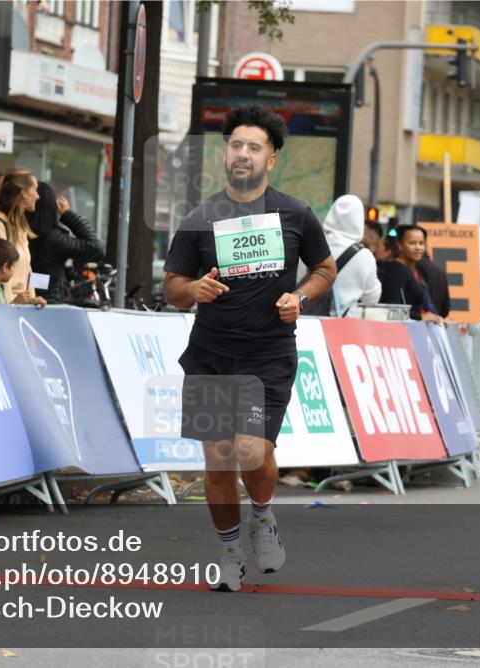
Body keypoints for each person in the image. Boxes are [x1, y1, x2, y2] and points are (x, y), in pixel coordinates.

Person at [163, 104, 337, 592]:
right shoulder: (201, 218)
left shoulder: (295, 214)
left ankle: (263, 515)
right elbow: (172, 287)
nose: (243, 153)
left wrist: (299, 297)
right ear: (226, 153)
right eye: (236, 145)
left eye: (254, 147)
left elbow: (325, 269)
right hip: (211, 353)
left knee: (252, 450)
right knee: (218, 456)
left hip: (267, 354)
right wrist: (192, 290)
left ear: (271, 159)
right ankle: (229, 552)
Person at [28, 182, 104, 304]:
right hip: (50, 304)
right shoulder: (52, 238)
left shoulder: (20, 231)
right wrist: (67, 214)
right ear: (50, 206)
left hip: (28, 299)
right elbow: (96, 247)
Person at [0, 168, 40, 304]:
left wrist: (32, 300)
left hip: (19, 310)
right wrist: (12, 304)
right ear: (24, 194)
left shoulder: (19, 227)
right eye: (35, 189)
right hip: (7, 312)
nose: (38, 196)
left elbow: (27, 271)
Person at [320, 194, 381, 315]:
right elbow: (371, 299)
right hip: (344, 324)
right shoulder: (364, 256)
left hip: (309, 320)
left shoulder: (312, 243)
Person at [375, 235, 435, 321]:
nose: (374, 250)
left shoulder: (396, 269)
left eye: (378, 246)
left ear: (387, 251)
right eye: (412, 243)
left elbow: (392, 306)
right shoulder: (394, 269)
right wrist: (420, 317)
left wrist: (420, 317)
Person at [394, 224, 443, 324]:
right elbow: (391, 308)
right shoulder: (396, 270)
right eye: (412, 243)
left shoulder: (416, 272)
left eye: (421, 243)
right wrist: (420, 317)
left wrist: (436, 318)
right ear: (400, 244)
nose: (418, 247)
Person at [0, 238, 45, 307]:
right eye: (14, 266)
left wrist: (29, 303)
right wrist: (15, 303)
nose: (14, 270)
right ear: (5, 267)